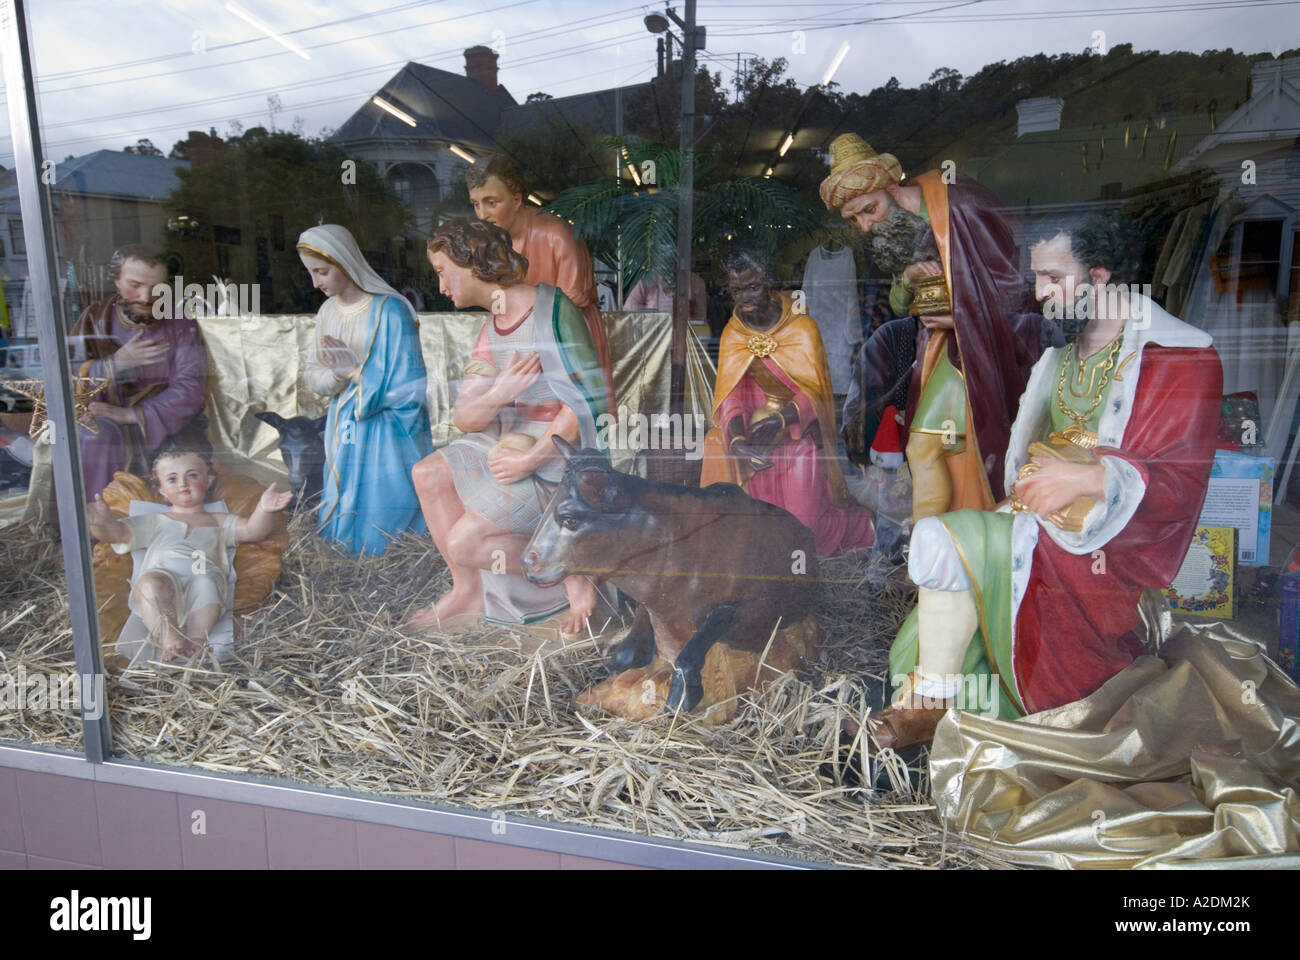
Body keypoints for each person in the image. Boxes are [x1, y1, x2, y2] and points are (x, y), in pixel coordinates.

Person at [866, 214, 1223, 749]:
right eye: (1036, 279)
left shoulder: (1177, 358)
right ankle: (946, 706)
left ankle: (932, 706)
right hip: (1039, 518)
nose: (1040, 294)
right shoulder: (1061, 352)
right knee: (948, 549)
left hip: (1108, 544)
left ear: (1100, 275)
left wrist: (1089, 480)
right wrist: (1019, 503)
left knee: (944, 539)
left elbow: (1181, 483)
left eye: (1054, 278)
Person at [407, 218, 610, 632]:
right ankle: (467, 591)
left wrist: (529, 461)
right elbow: (465, 417)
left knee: (467, 541)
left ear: (474, 262)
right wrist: (500, 391)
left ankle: (572, 568)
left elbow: (588, 402)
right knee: (427, 473)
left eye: (444, 273)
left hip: (556, 451)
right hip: (506, 439)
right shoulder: (491, 326)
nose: (442, 288)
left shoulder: (551, 311)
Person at [822, 134, 1038, 523]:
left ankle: (948, 546)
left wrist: (964, 318)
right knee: (931, 448)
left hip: (980, 356)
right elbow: (901, 306)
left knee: (948, 448)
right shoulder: (902, 233)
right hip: (942, 354)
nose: (866, 225)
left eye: (868, 209)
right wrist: (906, 278)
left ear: (891, 187)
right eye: (855, 218)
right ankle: (937, 549)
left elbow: (1014, 291)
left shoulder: (962, 206)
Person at [700, 246, 874, 558]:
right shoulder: (732, 333)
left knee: (803, 531)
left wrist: (781, 420)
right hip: (753, 436)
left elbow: (816, 392)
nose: (746, 299)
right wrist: (738, 440)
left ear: (771, 281)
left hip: (801, 434)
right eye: (737, 290)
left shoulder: (802, 329)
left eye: (753, 287)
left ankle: (857, 528)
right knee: (719, 446)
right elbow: (732, 394)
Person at [86, 442, 291, 661]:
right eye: (172, 479)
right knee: (149, 584)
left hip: (202, 574)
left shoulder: (217, 521)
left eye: (192, 475)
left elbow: (253, 530)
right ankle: (170, 638)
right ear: (162, 490)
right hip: (165, 576)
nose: (183, 484)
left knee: (206, 582)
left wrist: (264, 509)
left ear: (208, 480)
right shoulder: (155, 521)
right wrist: (101, 523)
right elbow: (118, 533)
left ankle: (197, 641)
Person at [298, 225, 432, 555]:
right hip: (344, 423)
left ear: (345, 261)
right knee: (344, 500)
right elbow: (314, 374)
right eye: (311, 273)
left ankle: (388, 552)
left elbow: (409, 387)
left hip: (387, 431)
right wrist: (337, 377)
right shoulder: (327, 312)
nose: (316, 283)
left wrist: (355, 371)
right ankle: (345, 552)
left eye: (322, 271)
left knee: (384, 497)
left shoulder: (392, 312)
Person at [466, 154, 615, 411]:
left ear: (516, 199)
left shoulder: (557, 235)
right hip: (519, 344)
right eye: (475, 204)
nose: (483, 214)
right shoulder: (489, 244)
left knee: (569, 420)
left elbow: (571, 306)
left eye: (491, 202)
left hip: (566, 339)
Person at [71, 245, 208, 501]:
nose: (146, 297)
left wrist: (131, 415)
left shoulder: (179, 322)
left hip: (164, 422)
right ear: (116, 280)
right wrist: (115, 364)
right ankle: (96, 528)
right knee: (95, 436)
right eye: (135, 285)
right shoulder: (95, 319)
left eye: (156, 288)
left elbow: (191, 388)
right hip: (102, 416)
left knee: (183, 462)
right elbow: (67, 377)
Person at [623, 271, 708, 320]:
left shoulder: (695, 283)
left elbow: (701, 321)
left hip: (684, 346)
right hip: (653, 346)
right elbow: (628, 314)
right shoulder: (647, 281)